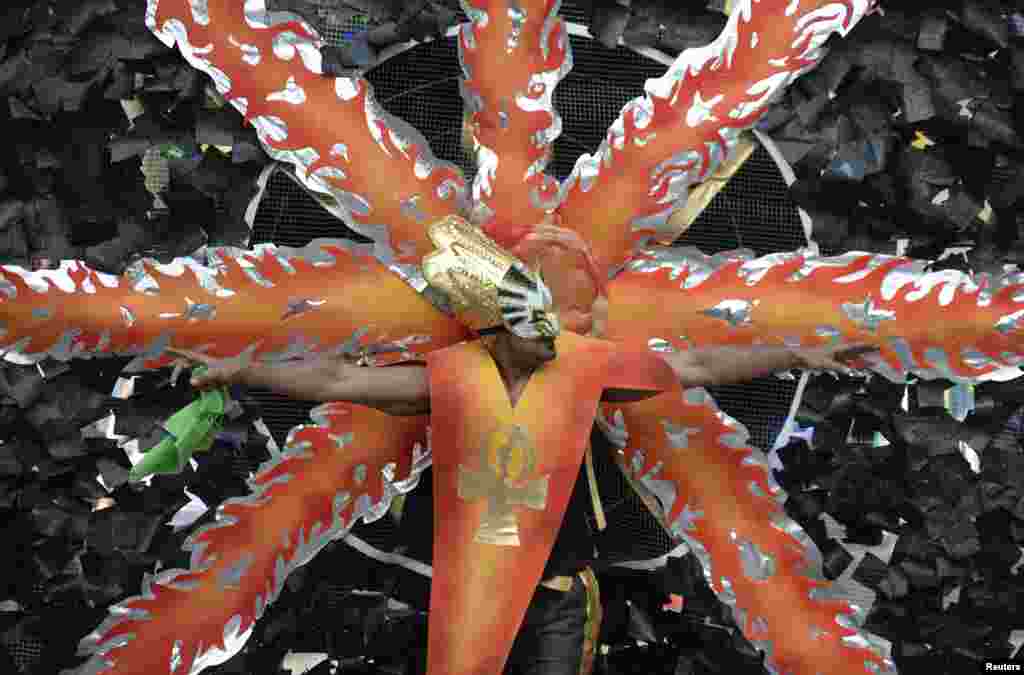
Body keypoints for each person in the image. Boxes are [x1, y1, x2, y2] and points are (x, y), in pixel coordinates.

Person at [167, 218, 878, 675]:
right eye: (539, 329)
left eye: (558, 326)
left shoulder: (585, 366)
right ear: (498, 329)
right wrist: (240, 368)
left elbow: (696, 365)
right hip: (472, 588)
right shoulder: (449, 377)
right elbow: (335, 376)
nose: (553, 339)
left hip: (562, 589)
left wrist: (805, 354)